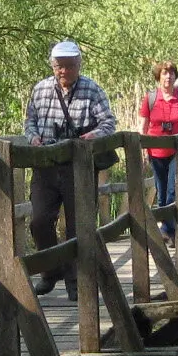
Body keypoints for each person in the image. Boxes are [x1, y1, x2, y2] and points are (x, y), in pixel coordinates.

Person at [23, 40, 116, 299]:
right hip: (46, 165)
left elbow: (109, 123)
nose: (64, 71)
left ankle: (77, 280)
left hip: (79, 166)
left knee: (79, 224)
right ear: (53, 66)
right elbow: (30, 121)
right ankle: (50, 271)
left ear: (79, 65)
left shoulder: (92, 90)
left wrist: (91, 137)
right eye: (59, 66)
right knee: (39, 221)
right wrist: (33, 138)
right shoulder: (40, 90)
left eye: (69, 66)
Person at [140, 61, 178, 238]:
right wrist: (142, 151)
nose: (168, 77)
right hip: (155, 152)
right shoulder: (150, 98)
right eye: (164, 73)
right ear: (159, 76)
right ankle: (167, 227)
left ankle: (167, 230)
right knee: (161, 191)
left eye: (171, 73)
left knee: (172, 190)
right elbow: (143, 128)